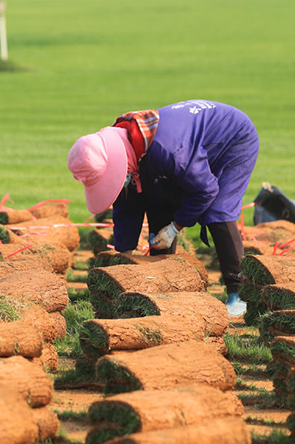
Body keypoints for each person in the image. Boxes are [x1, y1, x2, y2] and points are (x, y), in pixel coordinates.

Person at [67, 100, 258, 317]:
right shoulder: (127, 149)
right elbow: (127, 201)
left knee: (217, 211)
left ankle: (240, 293)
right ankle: (163, 285)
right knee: (156, 198)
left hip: (231, 139)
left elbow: (205, 190)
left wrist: (175, 227)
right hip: (186, 150)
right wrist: (124, 254)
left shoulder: (167, 151)